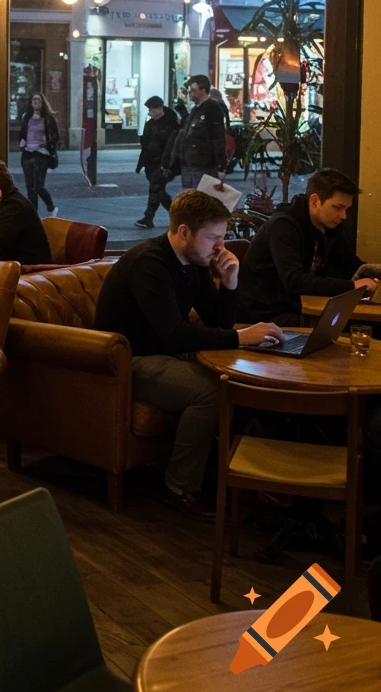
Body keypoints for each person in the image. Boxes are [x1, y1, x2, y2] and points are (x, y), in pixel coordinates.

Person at [93, 189, 284, 519]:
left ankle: (242, 479)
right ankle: (179, 488)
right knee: (209, 392)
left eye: (222, 237)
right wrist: (242, 336)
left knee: (247, 377)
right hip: (129, 360)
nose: (219, 246)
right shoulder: (149, 264)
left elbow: (215, 322)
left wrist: (230, 282)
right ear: (184, 232)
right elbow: (176, 334)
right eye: (213, 237)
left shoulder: (194, 261)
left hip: (165, 352)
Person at [238, 168, 377, 326]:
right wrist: (352, 286)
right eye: (337, 208)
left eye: (346, 209)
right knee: (359, 327)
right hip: (266, 316)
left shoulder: (329, 226)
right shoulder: (283, 226)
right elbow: (294, 281)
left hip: (299, 307)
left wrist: (373, 275)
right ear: (315, 201)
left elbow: (350, 264)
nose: (343, 216)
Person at [169, 74, 227, 189]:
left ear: (203, 90)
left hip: (203, 165)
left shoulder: (212, 109)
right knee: (190, 200)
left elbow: (218, 138)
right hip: (189, 164)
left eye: (193, 90)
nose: (190, 93)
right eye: (190, 90)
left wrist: (221, 166)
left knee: (202, 201)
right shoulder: (195, 109)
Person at [134, 95, 179, 229]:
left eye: (152, 109)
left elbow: (172, 146)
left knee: (155, 188)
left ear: (159, 109)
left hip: (164, 163)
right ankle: (177, 215)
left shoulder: (170, 124)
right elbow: (145, 145)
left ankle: (148, 218)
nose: (149, 112)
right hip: (150, 162)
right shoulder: (150, 124)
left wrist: (168, 165)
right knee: (159, 191)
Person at [17, 91, 59, 216]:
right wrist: (22, 141)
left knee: (38, 186)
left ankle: (51, 207)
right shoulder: (26, 117)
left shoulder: (48, 118)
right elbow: (22, 133)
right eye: (34, 100)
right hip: (27, 154)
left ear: (43, 103)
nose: (36, 102)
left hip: (41, 154)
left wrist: (48, 141)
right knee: (30, 187)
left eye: (39, 100)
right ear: (31, 103)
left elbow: (56, 136)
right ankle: (33, 216)